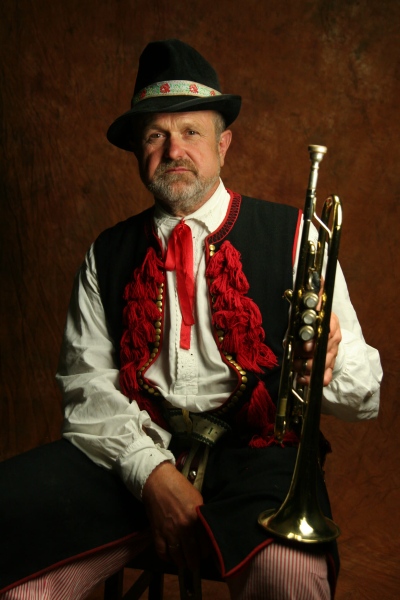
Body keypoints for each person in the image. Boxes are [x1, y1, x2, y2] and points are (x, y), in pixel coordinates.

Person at [0, 39, 382, 600]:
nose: (174, 149)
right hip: (132, 455)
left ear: (223, 144)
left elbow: (366, 392)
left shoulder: (301, 235)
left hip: (258, 462)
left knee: (292, 577)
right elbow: (85, 388)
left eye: (191, 132)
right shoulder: (105, 253)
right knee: (18, 569)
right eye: (156, 135)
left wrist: (326, 364)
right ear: (138, 151)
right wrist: (151, 473)